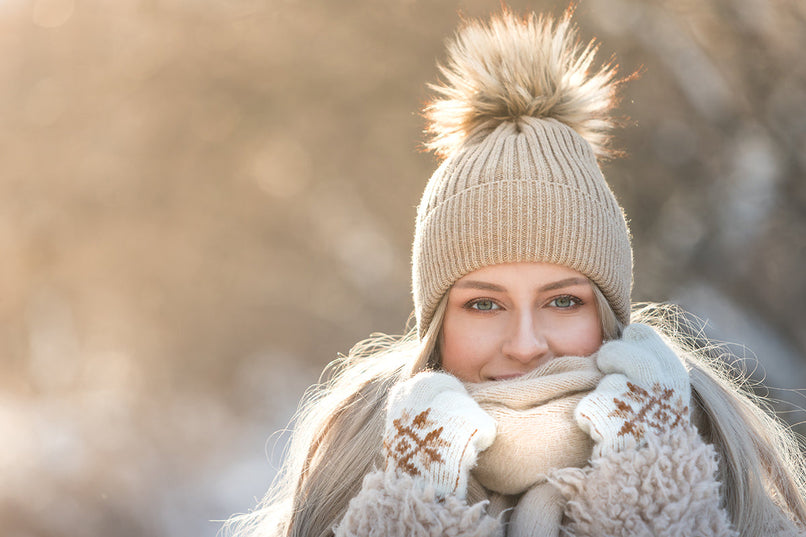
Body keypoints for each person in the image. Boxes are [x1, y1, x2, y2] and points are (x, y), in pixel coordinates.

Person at [226, 8, 806, 537]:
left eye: (563, 302)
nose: (526, 345)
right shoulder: (341, 491)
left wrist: (651, 485)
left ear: (608, 315)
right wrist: (413, 503)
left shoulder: (730, 486)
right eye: (483, 304)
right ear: (437, 325)